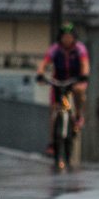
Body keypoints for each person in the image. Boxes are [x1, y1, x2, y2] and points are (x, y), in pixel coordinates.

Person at [36, 22, 89, 155]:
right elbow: (44, 62)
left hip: (74, 79)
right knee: (54, 110)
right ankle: (53, 142)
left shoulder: (79, 49)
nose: (67, 40)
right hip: (59, 80)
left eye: (69, 37)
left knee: (79, 90)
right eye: (64, 37)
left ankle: (78, 115)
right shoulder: (55, 49)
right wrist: (40, 74)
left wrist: (84, 76)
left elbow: (85, 63)